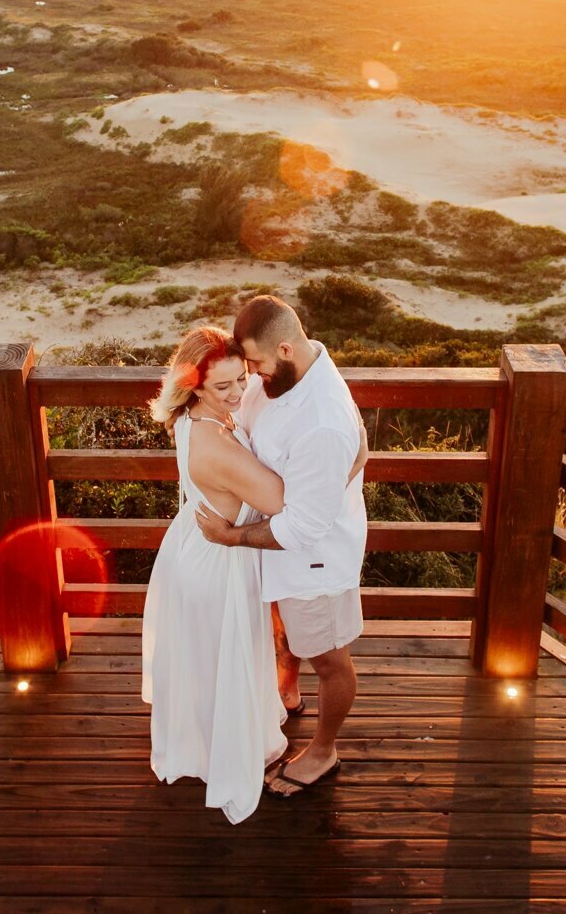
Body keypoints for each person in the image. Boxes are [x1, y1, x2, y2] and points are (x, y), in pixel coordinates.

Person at [196, 294, 367, 798]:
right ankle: (287, 692)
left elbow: (302, 529)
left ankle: (323, 750)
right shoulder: (288, 374)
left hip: (313, 561)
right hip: (277, 554)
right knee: (285, 631)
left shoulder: (320, 418)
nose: (251, 376)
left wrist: (230, 537)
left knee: (330, 659)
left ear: (287, 349)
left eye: (257, 364)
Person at [139, 325, 291, 824]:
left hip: (189, 551)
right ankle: (218, 753)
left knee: (204, 662)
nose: (237, 393)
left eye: (241, 378)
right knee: (223, 660)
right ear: (195, 386)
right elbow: (285, 502)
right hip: (217, 566)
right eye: (221, 386)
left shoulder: (189, 421)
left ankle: (201, 743)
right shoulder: (216, 445)